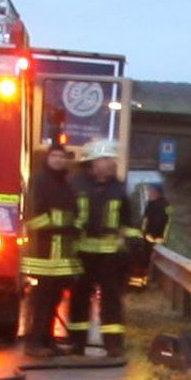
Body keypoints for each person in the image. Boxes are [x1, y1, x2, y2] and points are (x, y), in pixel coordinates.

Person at [68, 139, 138, 355]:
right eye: (107, 159)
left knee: (111, 300)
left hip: (110, 255)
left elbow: (129, 221)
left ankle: (113, 344)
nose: (111, 163)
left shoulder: (119, 188)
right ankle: (76, 343)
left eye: (112, 159)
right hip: (82, 252)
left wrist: (134, 245)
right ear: (94, 162)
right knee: (79, 298)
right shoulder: (75, 184)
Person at [19, 140, 82, 358]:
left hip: (61, 254)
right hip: (43, 252)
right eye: (55, 156)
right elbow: (33, 216)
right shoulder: (39, 180)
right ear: (47, 158)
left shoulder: (66, 184)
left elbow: (73, 212)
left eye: (62, 157)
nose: (59, 160)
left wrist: (73, 227)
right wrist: (61, 225)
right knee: (42, 299)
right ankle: (34, 342)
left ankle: (47, 340)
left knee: (54, 298)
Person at [131, 182, 169, 289]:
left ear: (157, 192)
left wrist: (149, 237)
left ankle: (139, 285)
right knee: (141, 263)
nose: (148, 193)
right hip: (147, 240)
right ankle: (139, 285)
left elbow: (157, 224)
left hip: (153, 240)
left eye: (150, 191)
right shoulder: (151, 204)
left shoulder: (161, 206)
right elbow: (145, 221)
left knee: (143, 263)